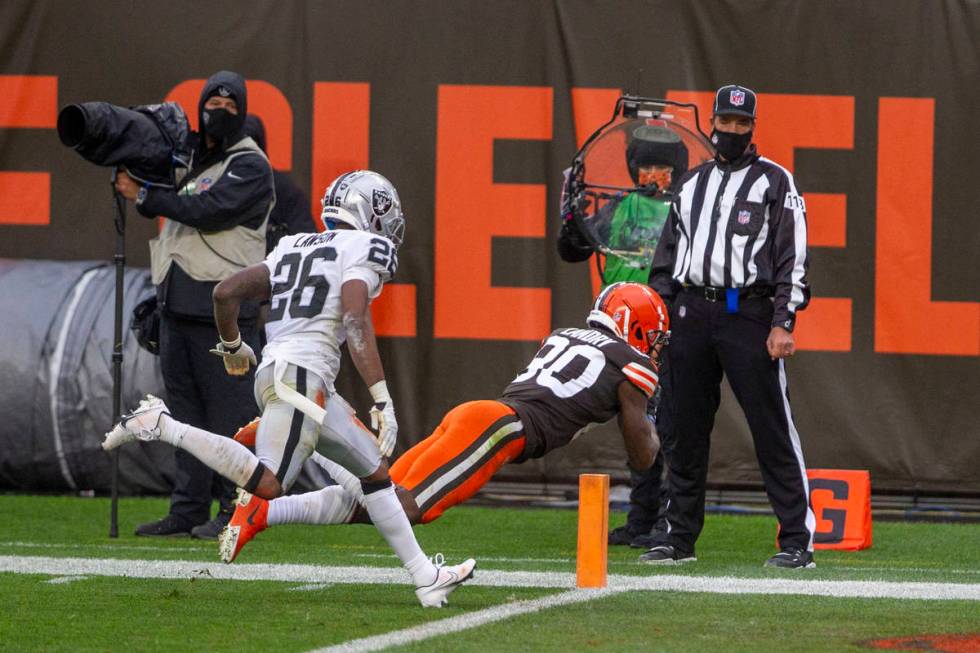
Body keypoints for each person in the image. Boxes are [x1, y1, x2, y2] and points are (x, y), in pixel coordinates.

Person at [104, 170, 475, 608]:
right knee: (269, 483)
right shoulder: (365, 247)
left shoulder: (293, 245)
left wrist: (232, 347)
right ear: (365, 211)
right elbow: (355, 319)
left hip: (291, 376)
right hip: (300, 380)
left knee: (375, 476)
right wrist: (382, 397)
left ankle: (426, 577)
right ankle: (161, 425)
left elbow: (225, 292)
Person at [218, 282, 669, 565]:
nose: (655, 349)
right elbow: (642, 457)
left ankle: (266, 511)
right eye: (654, 338)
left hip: (480, 414)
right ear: (635, 329)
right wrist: (650, 415)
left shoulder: (568, 335)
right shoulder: (632, 363)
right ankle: (311, 432)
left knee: (382, 499)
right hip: (501, 428)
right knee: (407, 508)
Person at [640, 84, 816, 569]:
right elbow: (667, 259)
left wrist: (783, 320)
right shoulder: (692, 184)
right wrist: (660, 319)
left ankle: (798, 541)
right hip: (691, 311)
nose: (733, 131)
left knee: (771, 426)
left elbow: (792, 257)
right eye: (726, 122)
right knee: (681, 427)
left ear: (753, 127)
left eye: (742, 124)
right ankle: (677, 538)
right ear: (713, 123)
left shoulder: (775, 181)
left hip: (748, 312)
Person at [113, 70, 274, 539]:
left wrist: (146, 196)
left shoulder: (250, 165)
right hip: (179, 308)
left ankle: (234, 508)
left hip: (224, 317)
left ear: (242, 114)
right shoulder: (192, 160)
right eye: (212, 105)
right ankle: (186, 509)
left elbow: (209, 210)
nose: (217, 114)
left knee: (231, 420)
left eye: (228, 107)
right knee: (184, 420)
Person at [557, 125, 688, 548]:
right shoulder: (617, 209)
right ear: (634, 169)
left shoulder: (685, 211)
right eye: (647, 166)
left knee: (668, 427)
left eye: (663, 168)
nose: (654, 175)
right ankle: (641, 520)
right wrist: (572, 213)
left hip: (665, 333)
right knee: (637, 426)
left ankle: (667, 519)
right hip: (621, 335)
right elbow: (572, 248)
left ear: (677, 171)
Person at [241, 115, 315, 254]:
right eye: (238, 144)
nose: (244, 151)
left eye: (251, 144)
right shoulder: (212, 184)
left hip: (270, 270)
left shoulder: (284, 189)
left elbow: (307, 244)